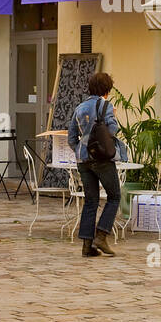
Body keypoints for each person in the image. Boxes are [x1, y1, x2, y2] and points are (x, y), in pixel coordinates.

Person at [67, 72, 127, 258]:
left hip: (83, 160)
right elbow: (111, 131)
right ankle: (101, 236)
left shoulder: (80, 107)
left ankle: (87, 246)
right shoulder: (106, 106)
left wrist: (83, 149)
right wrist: (114, 115)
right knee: (114, 196)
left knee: (90, 200)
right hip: (102, 159)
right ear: (107, 90)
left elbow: (71, 138)